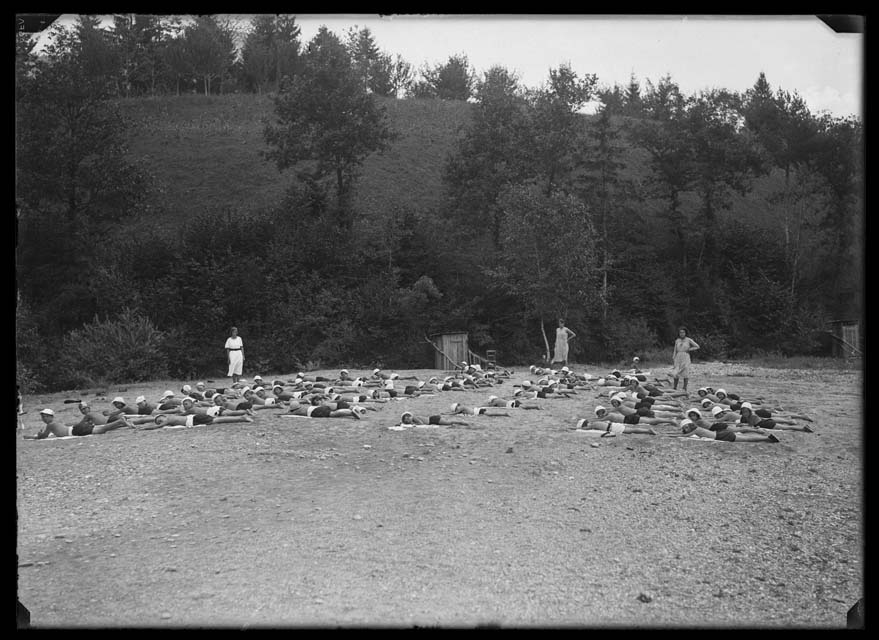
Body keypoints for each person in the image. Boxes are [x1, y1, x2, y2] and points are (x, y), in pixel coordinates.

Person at [24, 407, 133, 439]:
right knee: (102, 429)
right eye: (43, 417)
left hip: (76, 430)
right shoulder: (56, 423)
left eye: (44, 417)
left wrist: (35, 436)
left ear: (49, 417)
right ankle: (121, 423)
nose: (43, 419)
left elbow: (43, 436)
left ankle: (120, 421)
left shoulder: (50, 425)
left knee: (102, 429)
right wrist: (28, 436)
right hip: (76, 428)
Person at [669, 418, 780, 443]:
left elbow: (683, 435)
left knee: (747, 439)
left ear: (689, 425)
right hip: (720, 434)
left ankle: (766, 438)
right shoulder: (696, 428)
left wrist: (668, 435)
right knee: (746, 437)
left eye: (686, 427)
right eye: (685, 428)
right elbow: (682, 434)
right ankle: (766, 437)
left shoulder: (696, 429)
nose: (685, 429)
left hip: (722, 436)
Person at [136, 412, 254, 430]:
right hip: (194, 420)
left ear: (163, 416)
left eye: (159, 419)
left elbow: (157, 426)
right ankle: (241, 418)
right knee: (217, 420)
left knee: (218, 420)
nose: (159, 422)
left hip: (194, 419)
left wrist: (146, 427)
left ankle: (241, 418)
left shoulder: (169, 418)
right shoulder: (171, 419)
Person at [671, 327, 700, 391]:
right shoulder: (677, 340)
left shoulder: (689, 340)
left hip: (685, 356)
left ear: (685, 333)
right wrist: (674, 357)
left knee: (685, 371)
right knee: (676, 371)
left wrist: (689, 349)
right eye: (680, 332)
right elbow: (675, 350)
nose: (681, 334)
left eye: (683, 332)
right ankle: (675, 387)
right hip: (678, 356)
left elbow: (697, 346)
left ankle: (684, 387)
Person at [283, 400, 365, 419]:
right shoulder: (302, 407)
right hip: (316, 408)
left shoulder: (296, 411)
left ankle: (350, 413)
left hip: (315, 412)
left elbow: (287, 414)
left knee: (333, 414)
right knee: (334, 412)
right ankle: (350, 411)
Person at [397, 411, 469, 427]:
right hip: (432, 420)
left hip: (433, 419)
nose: (408, 421)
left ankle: (461, 422)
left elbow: (421, 423)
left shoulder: (414, 418)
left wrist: (413, 424)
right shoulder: (412, 419)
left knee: (448, 423)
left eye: (407, 419)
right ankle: (461, 422)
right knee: (448, 423)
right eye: (406, 420)